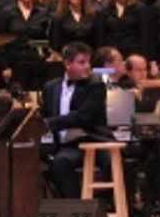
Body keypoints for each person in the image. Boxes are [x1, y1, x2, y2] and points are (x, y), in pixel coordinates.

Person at [40, 42, 110, 197]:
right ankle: (73, 205)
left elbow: (82, 116)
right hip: (67, 146)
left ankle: (109, 205)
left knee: (113, 162)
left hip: (93, 141)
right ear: (67, 63)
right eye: (81, 62)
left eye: (88, 62)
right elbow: (44, 113)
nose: (87, 67)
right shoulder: (51, 87)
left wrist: (49, 123)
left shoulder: (96, 85)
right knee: (57, 162)